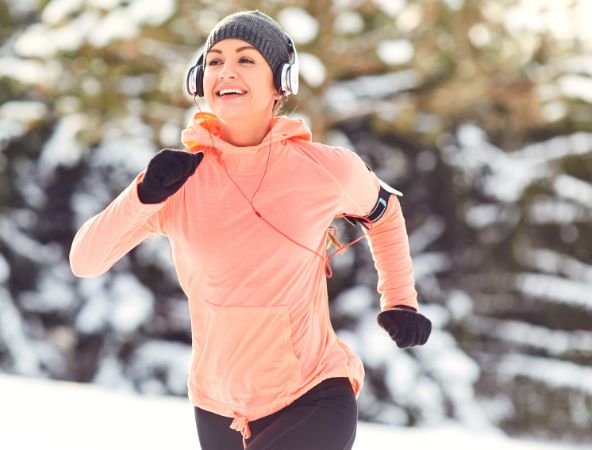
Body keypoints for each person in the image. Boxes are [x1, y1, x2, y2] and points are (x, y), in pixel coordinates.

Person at [70, 10, 432, 450]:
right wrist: (143, 195)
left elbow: (384, 209)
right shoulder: (177, 180)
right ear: (198, 79)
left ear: (281, 82)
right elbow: (85, 260)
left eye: (246, 60)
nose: (226, 70)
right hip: (217, 406)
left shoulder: (324, 169)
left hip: (312, 393)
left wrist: (400, 300)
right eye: (215, 60)